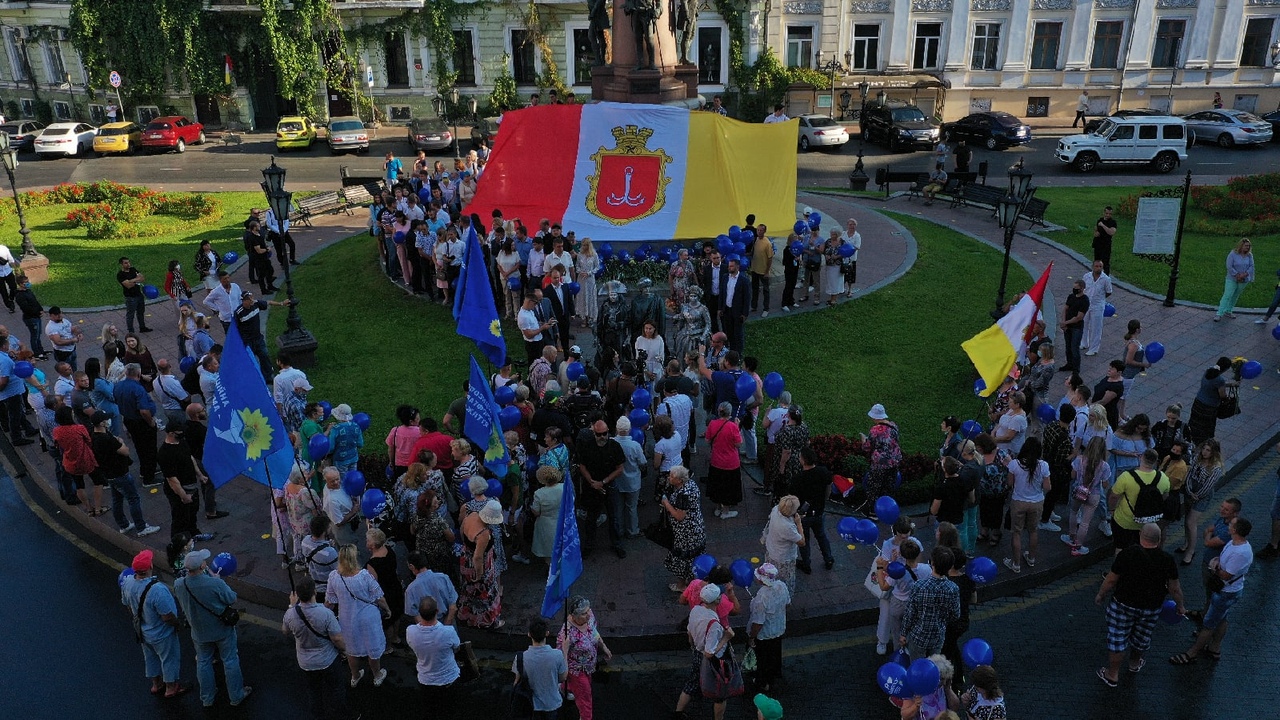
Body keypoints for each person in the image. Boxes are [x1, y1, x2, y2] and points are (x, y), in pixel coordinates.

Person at [1093, 523, 1183, 686]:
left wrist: (1101, 594)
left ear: (1141, 534)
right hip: (1151, 607)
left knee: (1117, 638)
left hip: (1123, 604)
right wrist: (1180, 606)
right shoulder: (1167, 559)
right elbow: (1174, 588)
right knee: (1142, 637)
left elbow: (1112, 579)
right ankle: (1134, 663)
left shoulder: (1127, 554)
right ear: (1159, 538)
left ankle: (1112, 674)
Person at [1171, 516, 1253, 665]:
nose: (1229, 524)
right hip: (1227, 591)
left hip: (1226, 592)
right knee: (1221, 618)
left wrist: (1214, 567)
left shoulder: (1240, 552)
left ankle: (1192, 653)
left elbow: (1227, 575)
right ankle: (1215, 648)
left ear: (1235, 530)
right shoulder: (1234, 543)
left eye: (1232, 524)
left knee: (1208, 624)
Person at [174, 549, 252, 707]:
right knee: (230, 660)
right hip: (221, 629)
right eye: (204, 561)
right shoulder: (214, 583)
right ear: (202, 565)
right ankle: (236, 695)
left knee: (203, 662)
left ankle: (207, 698)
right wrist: (217, 579)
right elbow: (232, 598)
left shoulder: (179, 584)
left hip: (198, 632)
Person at [121, 549, 188, 698]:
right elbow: (167, 617)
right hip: (162, 634)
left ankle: (156, 684)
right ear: (150, 566)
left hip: (143, 632)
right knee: (169, 659)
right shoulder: (157, 590)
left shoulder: (127, 583)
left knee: (150, 657)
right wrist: (177, 625)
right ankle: (171, 687)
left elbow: (128, 606)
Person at [282, 576, 351, 720]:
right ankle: (342, 715)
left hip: (306, 663)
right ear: (314, 592)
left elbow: (285, 631)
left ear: (297, 596)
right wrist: (345, 650)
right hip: (328, 660)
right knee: (336, 689)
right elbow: (337, 638)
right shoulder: (325, 614)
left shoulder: (291, 614)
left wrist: (291, 606)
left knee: (313, 691)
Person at [325, 544, 391, 687]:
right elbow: (379, 597)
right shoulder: (364, 576)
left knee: (351, 649)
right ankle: (377, 675)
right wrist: (387, 609)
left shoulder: (334, 577)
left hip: (347, 618)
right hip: (368, 618)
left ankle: (355, 676)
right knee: (372, 648)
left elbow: (329, 602)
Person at [677, 583, 735, 720]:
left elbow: (690, 635)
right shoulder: (714, 623)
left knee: (692, 683)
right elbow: (710, 653)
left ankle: (678, 712)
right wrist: (726, 638)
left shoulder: (695, 610)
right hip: (713, 661)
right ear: (717, 601)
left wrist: (695, 647)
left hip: (697, 653)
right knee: (720, 694)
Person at [899, 546, 961, 660]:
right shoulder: (953, 589)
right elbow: (955, 615)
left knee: (917, 666)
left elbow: (910, 614)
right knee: (934, 666)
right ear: (950, 566)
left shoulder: (919, 586)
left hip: (918, 636)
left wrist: (903, 633)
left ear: (932, 563)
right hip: (938, 636)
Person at [558, 596, 612, 720]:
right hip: (576, 671)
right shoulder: (566, 633)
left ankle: (565, 688)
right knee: (585, 698)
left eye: (588, 610)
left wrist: (604, 646)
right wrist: (565, 649)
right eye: (584, 613)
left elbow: (594, 632)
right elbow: (561, 657)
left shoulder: (590, 616)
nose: (588, 615)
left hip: (589, 665)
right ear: (574, 616)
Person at [1003, 437, 1051, 573]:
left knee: (1016, 532)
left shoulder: (1014, 464)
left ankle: (1016, 563)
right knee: (1033, 530)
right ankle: (1031, 558)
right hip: (1036, 502)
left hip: (1018, 501)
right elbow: (1048, 486)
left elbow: (1010, 484)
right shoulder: (1044, 465)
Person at [407, 595, 462, 707]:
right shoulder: (448, 632)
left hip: (425, 680)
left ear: (420, 612)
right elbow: (457, 646)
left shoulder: (410, 631)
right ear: (437, 611)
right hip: (448, 679)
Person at [874, 527, 922, 655]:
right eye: (902, 534)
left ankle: (898, 650)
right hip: (903, 593)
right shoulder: (888, 544)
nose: (904, 537)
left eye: (907, 534)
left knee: (897, 625)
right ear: (896, 533)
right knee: (886, 614)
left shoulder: (913, 543)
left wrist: (882, 567)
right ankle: (883, 642)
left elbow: (884, 583)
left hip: (897, 594)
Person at [458, 499, 504, 628]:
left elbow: (462, 530)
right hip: (478, 564)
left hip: (466, 557)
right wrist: (479, 574)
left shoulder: (471, 515)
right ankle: (486, 621)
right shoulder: (483, 534)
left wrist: (467, 547)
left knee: (468, 590)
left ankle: (467, 616)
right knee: (484, 593)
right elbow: (478, 557)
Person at [1177, 439, 1223, 565]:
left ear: (1214, 453)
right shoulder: (1198, 457)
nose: (1204, 452)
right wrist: (1188, 489)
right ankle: (1186, 543)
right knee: (1187, 519)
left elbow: (1208, 487)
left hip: (1202, 496)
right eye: (1204, 449)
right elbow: (1190, 474)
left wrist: (1195, 495)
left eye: (1208, 450)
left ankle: (1191, 551)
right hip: (1190, 490)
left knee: (1191, 522)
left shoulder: (1216, 468)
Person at [661, 466, 707, 592]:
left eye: (672, 477)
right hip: (696, 527)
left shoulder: (684, 495)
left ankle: (682, 585)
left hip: (686, 532)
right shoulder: (690, 483)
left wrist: (666, 503)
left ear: (680, 480)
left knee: (683, 558)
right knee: (693, 557)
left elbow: (679, 516)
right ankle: (694, 582)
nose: (669, 478)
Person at [1063, 436, 1111, 555]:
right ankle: (1078, 547)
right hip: (1094, 494)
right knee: (1085, 522)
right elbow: (1105, 484)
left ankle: (1071, 537)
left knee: (1074, 512)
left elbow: (1073, 476)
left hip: (1078, 491)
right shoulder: (1104, 466)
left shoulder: (1079, 460)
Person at [747, 563, 790, 694]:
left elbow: (758, 623)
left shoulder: (761, 598)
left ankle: (762, 682)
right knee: (774, 655)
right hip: (778, 629)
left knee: (762, 659)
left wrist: (752, 637)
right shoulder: (782, 586)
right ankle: (774, 675)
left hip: (764, 635)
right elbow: (788, 604)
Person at [513, 619, 569, 718]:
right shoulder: (557, 655)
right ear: (547, 633)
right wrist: (565, 652)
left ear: (529, 634)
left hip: (530, 705)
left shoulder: (520, 657)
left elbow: (517, 682)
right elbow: (563, 678)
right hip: (552, 704)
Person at [792, 446, 834, 572]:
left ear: (803, 461)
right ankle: (828, 558)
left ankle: (806, 564)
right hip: (819, 512)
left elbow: (792, 499)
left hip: (803, 515)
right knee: (821, 535)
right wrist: (825, 499)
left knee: (804, 539)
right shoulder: (823, 472)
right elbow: (829, 487)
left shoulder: (798, 478)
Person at [705, 401, 744, 519]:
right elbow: (738, 444)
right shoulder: (733, 426)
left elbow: (707, 440)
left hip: (716, 461)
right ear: (729, 412)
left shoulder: (712, 424)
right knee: (728, 487)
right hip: (731, 463)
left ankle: (717, 508)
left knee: (717, 485)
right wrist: (737, 427)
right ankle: (726, 511)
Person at [1186, 357, 1234, 447]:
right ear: (1226, 368)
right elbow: (1222, 395)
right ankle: (1202, 445)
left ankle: (1190, 439)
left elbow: (1214, 384)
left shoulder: (1209, 370)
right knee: (1205, 429)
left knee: (1194, 424)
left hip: (1198, 403)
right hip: (1209, 408)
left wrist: (1229, 384)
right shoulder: (1220, 380)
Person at [862, 404, 902, 512]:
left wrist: (863, 441)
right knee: (889, 487)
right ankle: (886, 510)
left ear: (875, 417)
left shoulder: (875, 430)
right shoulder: (894, 426)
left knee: (874, 487)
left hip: (880, 464)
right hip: (894, 462)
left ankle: (872, 511)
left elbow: (867, 447)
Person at [763, 495, 805, 593]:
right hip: (783, 557)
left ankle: (769, 591)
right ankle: (784, 598)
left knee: (770, 576)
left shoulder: (775, 510)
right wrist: (799, 523)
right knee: (785, 580)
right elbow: (802, 542)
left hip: (771, 550)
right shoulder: (787, 527)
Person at [1215, 238, 1255, 321]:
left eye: (1248, 246)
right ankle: (1219, 313)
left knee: (1235, 295)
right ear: (1241, 245)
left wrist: (1244, 274)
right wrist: (1237, 275)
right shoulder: (1233, 253)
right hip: (1232, 278)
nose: (1247, 248)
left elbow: (1252, 266)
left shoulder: (1249, 255)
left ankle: (1229, 310)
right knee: (1227, 295)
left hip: (1244, 279)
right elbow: (1229, 265)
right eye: (1246, 246)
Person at [1080, 260, 1113, 357]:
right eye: (1096, 266)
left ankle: (1094, 348)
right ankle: (1083, 343)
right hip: (1086, 304)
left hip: (1098, 306)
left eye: (1100, 266)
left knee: (1096, 327)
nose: (1098, 268)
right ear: (1092, 267)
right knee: (1084, 324)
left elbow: (1109, 291)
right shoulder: (1086, 276)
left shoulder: (1106, 279)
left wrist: (1101, 299)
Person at [1059, 279, 1089, 373]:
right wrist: (1063, 321)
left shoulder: (1085, 300)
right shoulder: (1071, 296)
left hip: (1076, 327)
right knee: (1068, 347)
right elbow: (1065, 309)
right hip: (1068, 326)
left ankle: (1076, 368)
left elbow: (1079, 317)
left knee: (1074, 348)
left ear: (1082, 288)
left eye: (1077, 288)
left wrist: (1065, 323)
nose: (1075, 290)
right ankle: (1069, 364)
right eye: (1074, 288)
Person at [117, 257, 152, 334]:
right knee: (130, 315)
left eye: (128, 262)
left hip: (139, 295)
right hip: (130, 297)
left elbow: (142, 278)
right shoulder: (120, 275)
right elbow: (128, 286)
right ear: (121, 264)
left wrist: (131, 280)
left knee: (141, 312)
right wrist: (136, 279)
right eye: (126, 263)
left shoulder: (133, 269)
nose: (128, 264)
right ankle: (131, 331)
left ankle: (142, 327)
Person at [45, 305, 83, 371]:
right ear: (51, 316)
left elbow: (70, 329)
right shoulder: (51, 328)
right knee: (66, 371)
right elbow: (58, 342)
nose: (59, 315)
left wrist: (78, 334)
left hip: (72, 350)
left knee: (74, 369)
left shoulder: (64, 320)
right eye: (56, 314)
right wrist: (73, 340)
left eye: (60, 313)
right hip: (63, 353)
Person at [1092, 206, 1118, 274]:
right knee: (1096, 262)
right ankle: (1095, 276)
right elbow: (1096, 231)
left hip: (1106, 245)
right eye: (1106, 213)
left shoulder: (1113, 222)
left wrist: (1103, 225)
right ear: (1104, 213)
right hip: (1098, 244)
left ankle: (1106, 278)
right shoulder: (1100, 220)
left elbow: (1111, 232)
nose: (1108, 215)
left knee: (1105, 263)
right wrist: (1096, 233)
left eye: (1110, 214)